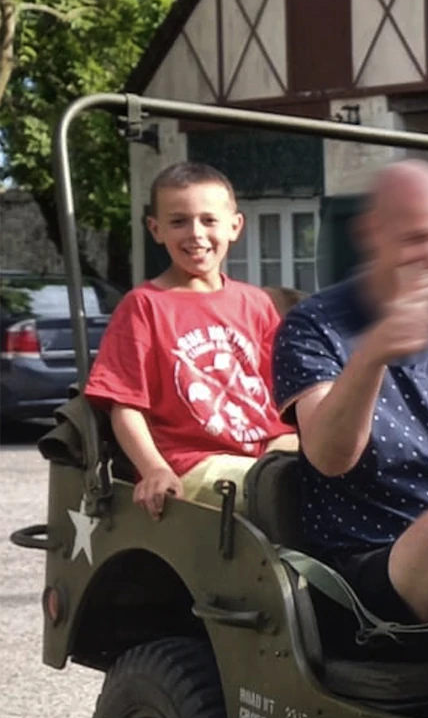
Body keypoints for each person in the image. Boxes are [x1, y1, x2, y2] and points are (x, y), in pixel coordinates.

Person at [273, 159, 428, 653]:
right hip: (367, 566)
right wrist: (373, 353)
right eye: (415, 239)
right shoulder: (315, 324)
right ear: (372, 234)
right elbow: (329, 456)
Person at [84, 162, 296, 519]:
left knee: (348, 472)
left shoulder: (255, 303)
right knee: (284, 491)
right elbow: (126, 405)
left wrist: (289, 441)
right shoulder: (145, 306)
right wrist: (154, 468)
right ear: (156, 229)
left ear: (234, 226)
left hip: (266, 453)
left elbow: (282, 394)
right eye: (179, 221)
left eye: (209, 220)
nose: (196, 234)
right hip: (193, 464)